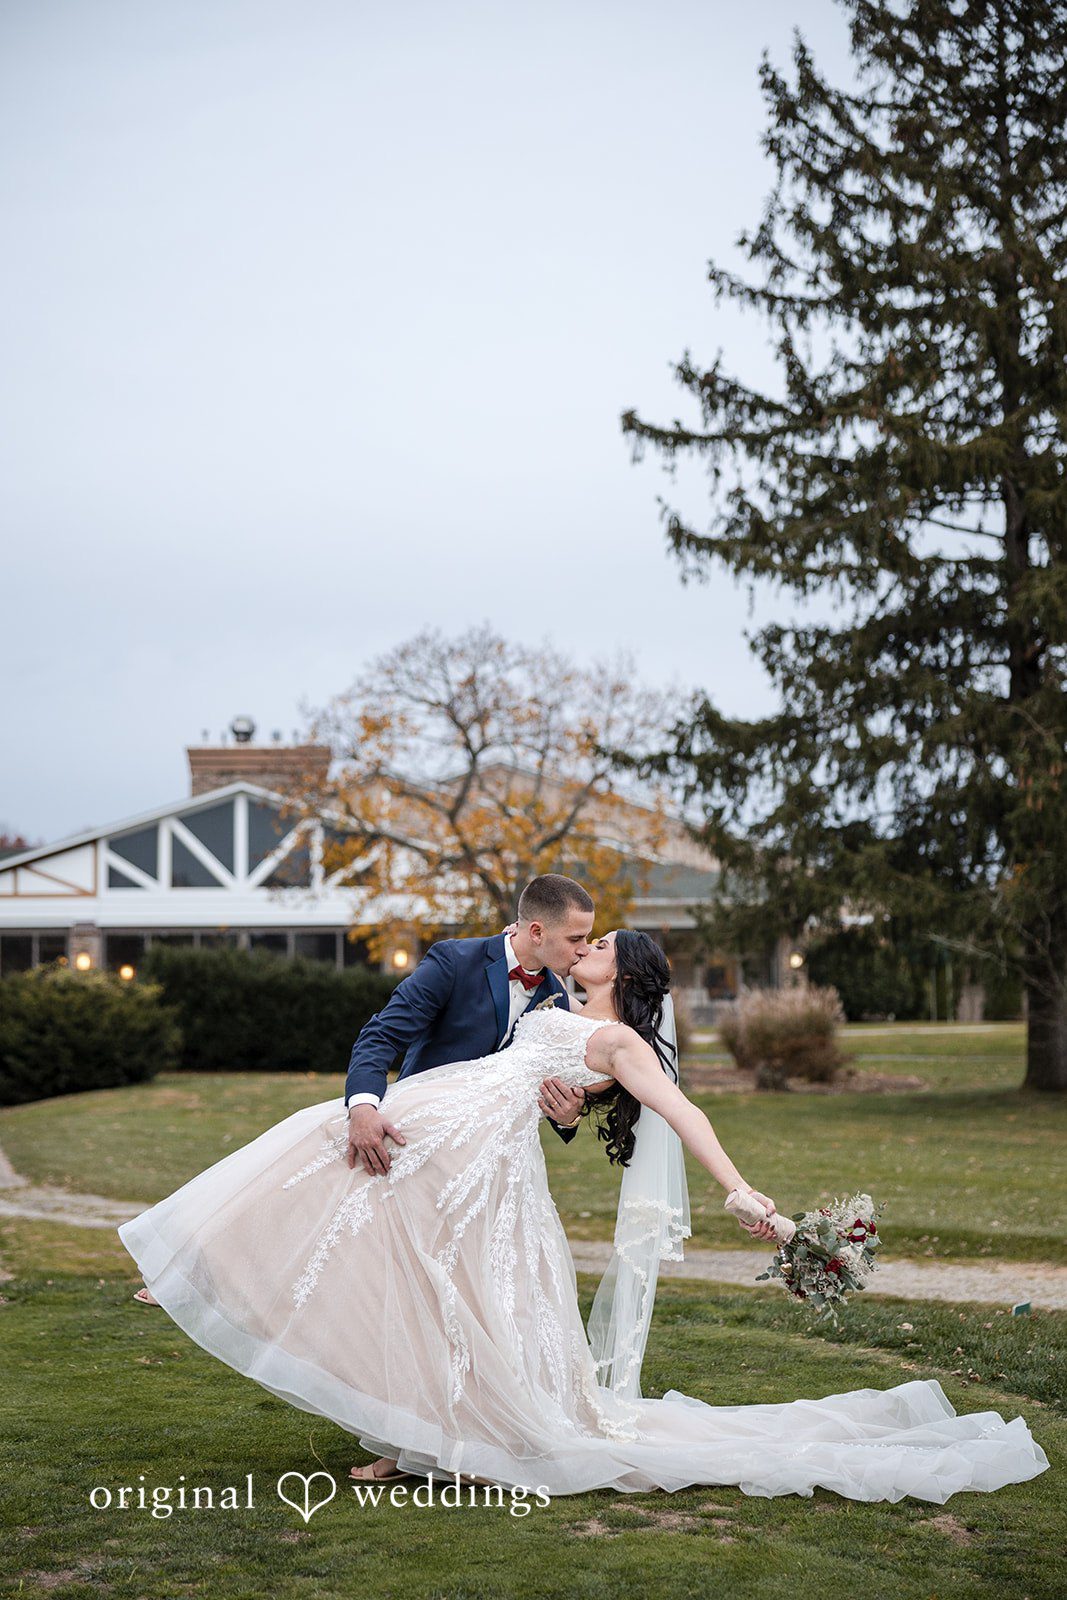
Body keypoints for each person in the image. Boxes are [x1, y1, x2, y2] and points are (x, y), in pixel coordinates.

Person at [118, 923, 1048, 1501]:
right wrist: (560, 1098)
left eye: (600, 946)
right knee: (337, 1174)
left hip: (477, 1159)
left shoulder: (613, 1034)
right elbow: (532, 1074)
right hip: (461, 1132)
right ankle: (209, 1271)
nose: (585, 947)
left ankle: (422, 1422)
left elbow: (684, 1110)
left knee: (432, 1269)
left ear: (625, 975)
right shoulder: (554, 1005)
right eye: (582, 938)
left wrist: (741, 1192)